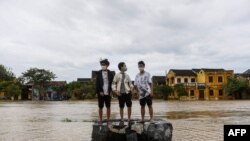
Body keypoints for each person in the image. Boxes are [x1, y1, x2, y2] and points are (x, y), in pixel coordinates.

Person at [96, 59, 114, 124]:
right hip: (101, 93)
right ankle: (100, 120)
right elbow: (97, 83)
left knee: (108, 106)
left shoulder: (111, 73)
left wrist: (111, 91)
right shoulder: (98, 73)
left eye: (104, 64)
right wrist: (100, 91)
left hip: (108, 92)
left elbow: (112, 83)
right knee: (100, 107)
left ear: (107, 65)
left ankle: (108, 120)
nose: (103, 66)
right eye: (102, 65)